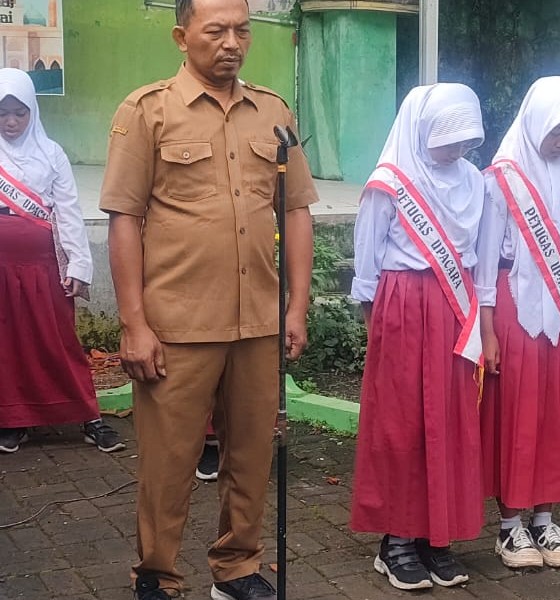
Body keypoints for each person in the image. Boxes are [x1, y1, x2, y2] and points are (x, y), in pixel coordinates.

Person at [100, 0, 317, 598]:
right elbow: (124, 218)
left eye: (242, 30)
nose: (231, 43)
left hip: (257, 324)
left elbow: (297, 210)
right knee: (168, 464)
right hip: (177, 325)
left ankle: (237, 569)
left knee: (249, 457)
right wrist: (134, 324)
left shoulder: (272, 112)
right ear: (181, 36)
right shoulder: (148, 111)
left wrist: (296, 306)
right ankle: (157, 576)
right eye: (216, 30)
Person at [349, 83, 486, 591]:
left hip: (454, 307)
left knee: (449, 418)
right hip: (403, 304)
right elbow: (367, 261)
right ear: (422, 131)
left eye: (466, 140)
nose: (458, 149)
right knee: (400, 421)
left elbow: (477, 254)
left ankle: (436, 534)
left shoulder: (473, 181)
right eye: (448, 139)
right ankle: (397, 540)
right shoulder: (390, 182)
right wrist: (376, 321)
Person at [476, 76, 560, 569]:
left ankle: (545, 519)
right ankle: (509, 527)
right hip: (513, 304)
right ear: (535, 123)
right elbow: (483, 261)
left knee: (557, 412)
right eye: (556, 131)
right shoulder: (502, 178)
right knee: (516, 414)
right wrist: (487, 329)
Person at [0, 68, 124, 455]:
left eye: (19, 112)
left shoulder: (51, 154)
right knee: (8, 343)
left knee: (58, 340)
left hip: (45, 267)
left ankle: (88, 416)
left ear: (32, 111)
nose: (11, 121)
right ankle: (14, 420)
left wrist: (78, 266)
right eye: (2, 113)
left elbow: (68, 212)